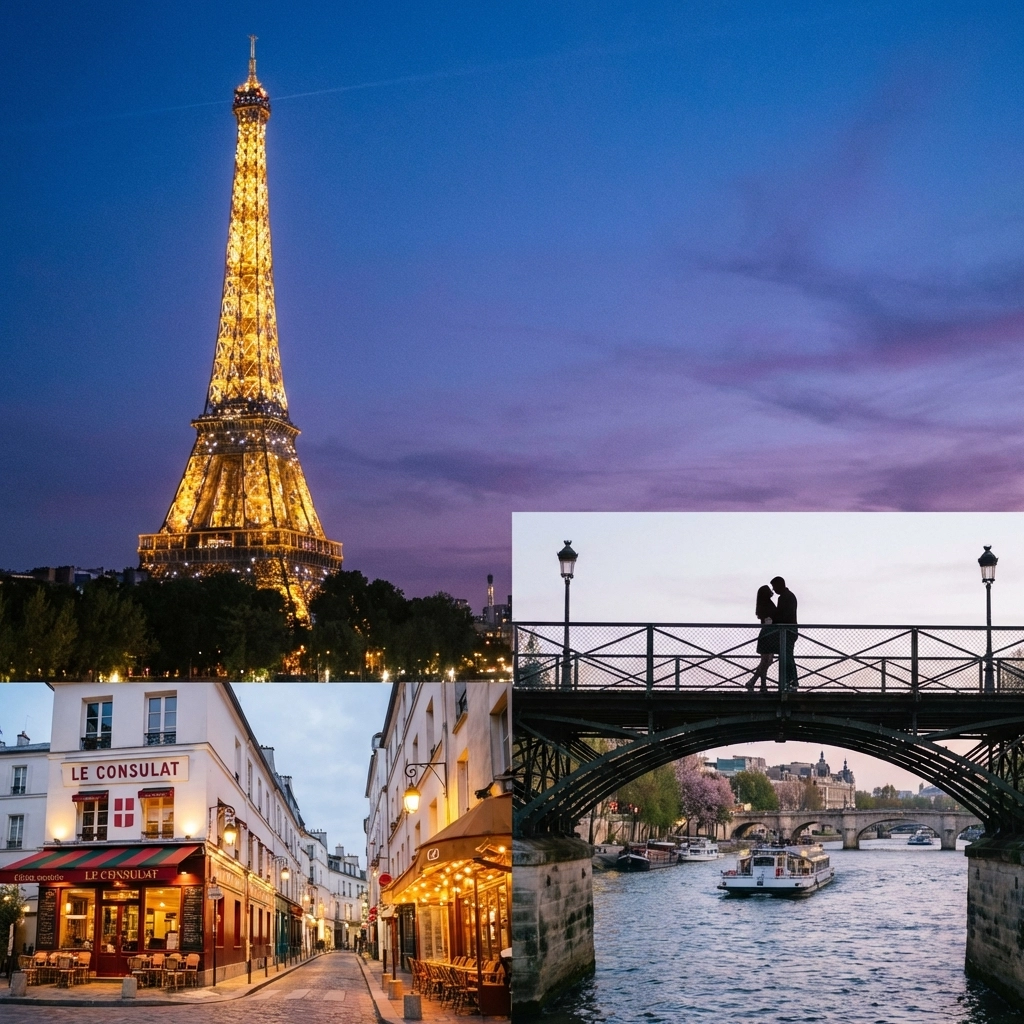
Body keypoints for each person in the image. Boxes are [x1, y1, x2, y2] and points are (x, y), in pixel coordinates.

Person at [747, 584, 777, 692]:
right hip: (768, 635)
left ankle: (759, 684)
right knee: (766, 661)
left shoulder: (763, 605)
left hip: (767, 634)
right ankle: (755, 683)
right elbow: (769, 621)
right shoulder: (767, 605)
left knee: (766, 661)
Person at [771, 576, 798, 691]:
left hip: (787, 631)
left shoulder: (784, 598)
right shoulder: (790, 596)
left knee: (786, 657)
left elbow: (783, 616)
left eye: (774, 587)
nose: (774, 590)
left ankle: (789, 682)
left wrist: (773, 621)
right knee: (788, 656)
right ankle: (791, 682)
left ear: (779, 585)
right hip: (791, 630)